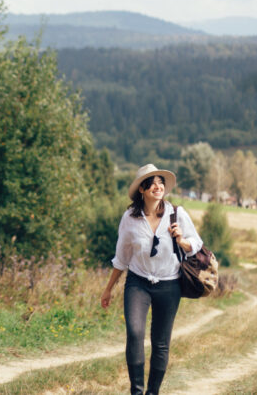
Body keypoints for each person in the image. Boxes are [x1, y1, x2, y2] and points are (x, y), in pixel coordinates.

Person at [100, 164, 203, 395]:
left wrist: (181, 240)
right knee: (135, 333)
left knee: (160, 342)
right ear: (142, 190)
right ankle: (136, 391)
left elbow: (196, 244)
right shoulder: (130, 218)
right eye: (152, 183)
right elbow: (121, 258)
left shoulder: (177, 213)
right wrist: (108, 289)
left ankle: (152, 392)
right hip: (138, 283)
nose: (158, 186)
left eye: (161, 182)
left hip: (169, 285)